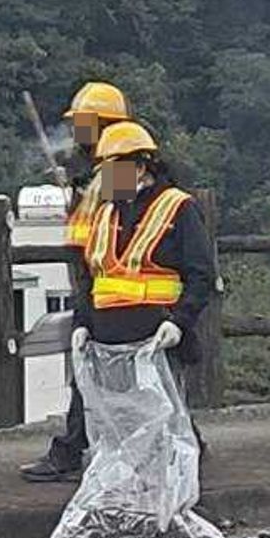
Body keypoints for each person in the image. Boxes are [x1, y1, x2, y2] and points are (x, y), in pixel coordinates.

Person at [19, 81, 131, 483]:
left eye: (84, 124)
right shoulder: (99, 170)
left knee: (95, 371)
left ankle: (69, 451)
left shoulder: (117, 170)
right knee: (119, 371)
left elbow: (115, 220)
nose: (78, 132)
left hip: (110, 284)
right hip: (95, 279)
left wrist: (80, 193)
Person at [72, 121, 215, 402]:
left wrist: (179, 322)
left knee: (165, 423)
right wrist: (82, 323)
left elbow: (201, 274)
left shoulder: (178, 207)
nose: (107, 181)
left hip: (157, 338)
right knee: (118, 427)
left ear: (140, 168)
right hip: (106, 341)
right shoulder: (105, 214)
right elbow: (92, 278)